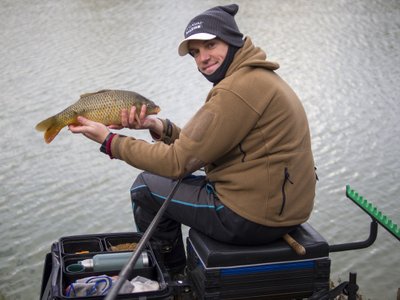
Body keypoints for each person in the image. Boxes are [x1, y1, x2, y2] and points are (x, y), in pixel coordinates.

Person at [69, 4, 317, 276]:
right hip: (281, 209)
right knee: (167, 182)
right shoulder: (256, 78)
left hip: (250, 217)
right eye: (195, 52)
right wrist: (156, 126)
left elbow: (177, 163)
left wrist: (110, 141)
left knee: (145, 188)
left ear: (232, 40)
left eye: (211, 45)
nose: (203, 58)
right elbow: (203, 146)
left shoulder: (237, 90)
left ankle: (171, 277)